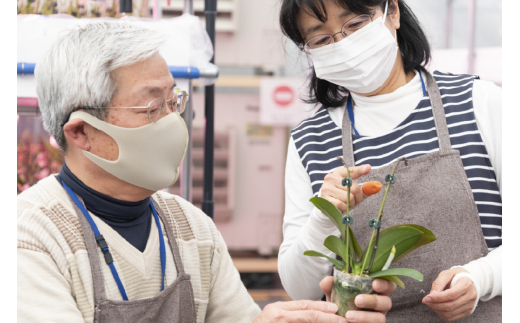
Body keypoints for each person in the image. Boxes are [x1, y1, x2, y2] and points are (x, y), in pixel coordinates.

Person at [17, 22, 395, 323]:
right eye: (152, 106)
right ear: (81, 132)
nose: (173, 121)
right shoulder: (29, 236)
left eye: (174, 101)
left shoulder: (190, 227)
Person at [277, 0, 502, 322]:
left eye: (354, 24)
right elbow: (299, 288)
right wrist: (324, 216)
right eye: (322, 39)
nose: (343, 45)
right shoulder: (310, 140)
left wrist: (482, 278)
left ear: (392, 12)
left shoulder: (477, 101)